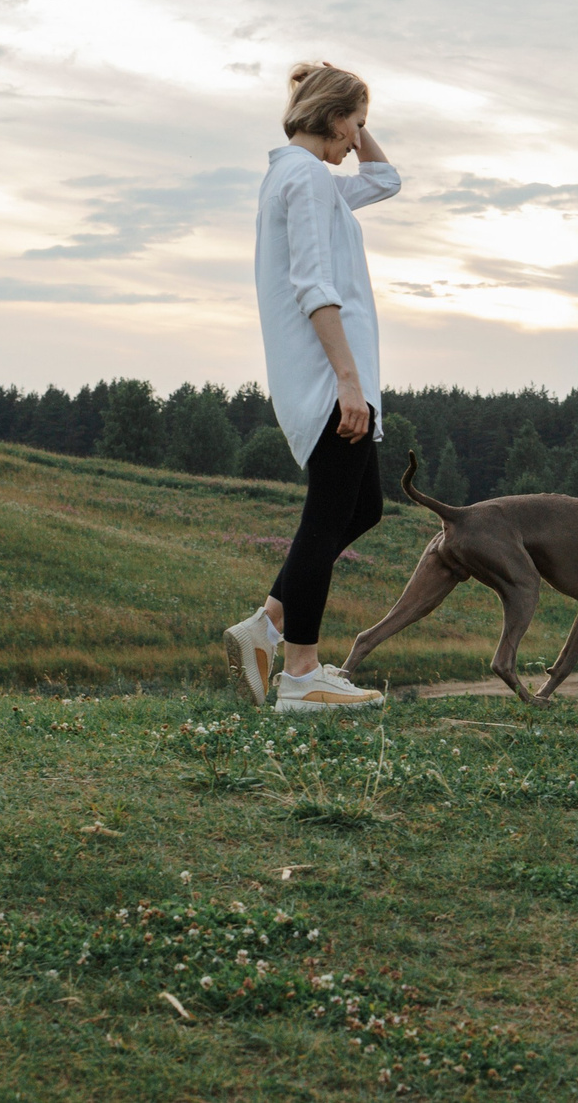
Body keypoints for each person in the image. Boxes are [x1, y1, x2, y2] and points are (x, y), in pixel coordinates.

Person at [223, 62, 400, 712]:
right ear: (329, 118)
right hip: (329, 378)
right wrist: (349, 382)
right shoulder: (301, 178)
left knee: (362, 507)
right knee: (328, 515)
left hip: (339, 377)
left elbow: (385, 180)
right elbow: (313, 286)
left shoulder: (311, 181)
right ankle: (300, 672)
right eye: (353, 124)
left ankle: (268, 624)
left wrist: (356, 109)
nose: (356, 140)